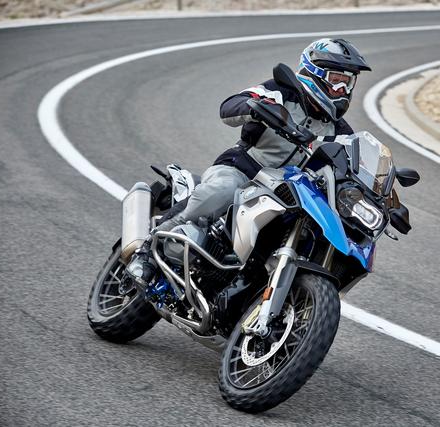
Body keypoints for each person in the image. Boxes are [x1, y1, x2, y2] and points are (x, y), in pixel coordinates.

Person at [126, 38, 371, 285]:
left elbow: (354, 166)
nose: (342, 90)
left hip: (287, 196)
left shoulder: (341, 131)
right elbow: (229, 107)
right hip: (243, 170)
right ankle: (146, 250)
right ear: (314, 73)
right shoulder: (281, 92)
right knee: (222, 190)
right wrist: (258, 108)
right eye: (336, 80)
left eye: (348, 83)